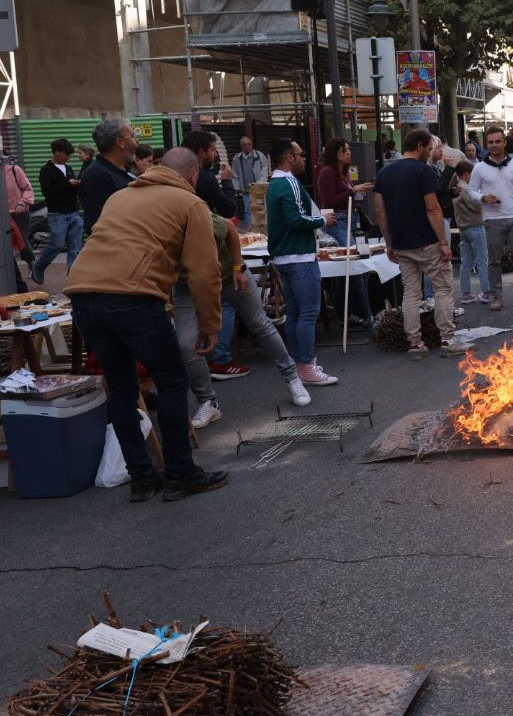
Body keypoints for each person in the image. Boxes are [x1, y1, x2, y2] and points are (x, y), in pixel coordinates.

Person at [64, 147, 228, 502]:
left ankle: (142, 477)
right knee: (172, 382)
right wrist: (210, 323)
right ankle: (180, 474)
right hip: (132, 296)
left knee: (121, 388)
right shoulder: (190, 203)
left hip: (82, 295)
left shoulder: (120, 196)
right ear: (193, 176)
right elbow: (204, 273)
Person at [173, 206, 312, 428]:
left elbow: (229, 227)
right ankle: (208, 402)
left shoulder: (189, 210)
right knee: (186, 344)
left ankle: (293, 377)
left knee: (260, 324)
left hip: (228, 275)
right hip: (186, 285)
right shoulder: (150, 226)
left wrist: (239, 266)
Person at [373, 128, 465, 359]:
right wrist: (444, 241)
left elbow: (380, 211)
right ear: (421, 146)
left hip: (402, 243)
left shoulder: (384, 173)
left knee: (411, 293)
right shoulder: (423, 171)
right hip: (427, 241)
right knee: (443, 288)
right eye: (430, 148)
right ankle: (448, 338)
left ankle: (414, 343)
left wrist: (389, 242)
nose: (431, 152)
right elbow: (432, 208)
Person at [266, 139, 339, 387]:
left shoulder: (273, 183)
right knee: (308, 313)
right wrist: (322, 220)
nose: (304, 159)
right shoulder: (289, 183)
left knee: (296, 313)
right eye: (300, 154)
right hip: (300, 257)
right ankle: (307, 366)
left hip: (284, 258)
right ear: (289, 157)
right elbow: (297, 220)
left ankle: (300, 365)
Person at [475, 125, 513, 311]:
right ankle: (496, 296)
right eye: (491, 142)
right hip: (492, 220)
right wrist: (482, 197)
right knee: (494, 261)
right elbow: (470, 191)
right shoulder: (480, 167)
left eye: (498, 142)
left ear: (504, 142)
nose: (494, 145)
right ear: (487, 144)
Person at [315, 137, 375, 329]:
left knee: (348, 271)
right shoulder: (327, 173)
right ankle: (367, 315)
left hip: (350, 219)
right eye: (345, 150)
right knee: (353, 267)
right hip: (338, 222)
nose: (349, 153)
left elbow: (344, 195)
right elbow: (330, 199)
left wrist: (356, 192)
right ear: (336, 153)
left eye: (349, 150)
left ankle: (344, 314)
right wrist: (353, 191)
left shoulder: (343, 173)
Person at [32, 138, 82, 286]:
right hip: (57, 214)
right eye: (66, 154)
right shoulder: (46, 170)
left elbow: (69, 188)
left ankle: (73, 279)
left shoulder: (69, 168)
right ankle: (39, 266)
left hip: (73, 212)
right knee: (57, 244)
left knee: (75, 248)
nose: (68, 157)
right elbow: (47, 191)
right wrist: (68, 184)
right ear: (57, 152)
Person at [79, 117, 138, 234]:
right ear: (120, 142)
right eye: (132, 136)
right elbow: (94, 225)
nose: (137, 142)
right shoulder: (96, 175)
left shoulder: (125, 171)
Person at [452, 160, 491, 303]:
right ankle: (486, 292)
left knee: (465, 263)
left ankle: (466, 294)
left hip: (463, 228)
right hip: (475, 226)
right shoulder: (467, 189)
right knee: (482, 260)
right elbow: (476, 206)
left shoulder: (457, 187)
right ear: (468, 174)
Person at [180, 130, 238, 219]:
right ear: (202, 152)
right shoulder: (206, 178)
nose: (215, 154)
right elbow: (229, 209)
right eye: (213, 150)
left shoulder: (176, 174)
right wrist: (227, 181)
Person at [3, 157, 35, 267]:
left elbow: (27, 188)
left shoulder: (14, 170)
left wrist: (22, 202)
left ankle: (32, 264)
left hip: (18, 213)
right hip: (1, 215)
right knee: (4, 243)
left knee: (21, 241)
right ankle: (10, 269)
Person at [231, 135, 268, 226]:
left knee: (259, 209)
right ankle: (249, 230)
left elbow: (264, 169)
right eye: (245, 145)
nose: (247, 146)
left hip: (257, 188)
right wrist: (237, 187)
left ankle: (261, 231)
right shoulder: (237, 158)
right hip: (245, 189)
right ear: (241, 146)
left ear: (252, 145)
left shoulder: (259, 155)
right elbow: (235, 174)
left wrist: (259, 183)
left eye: (249, 144)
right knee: (247, 210)